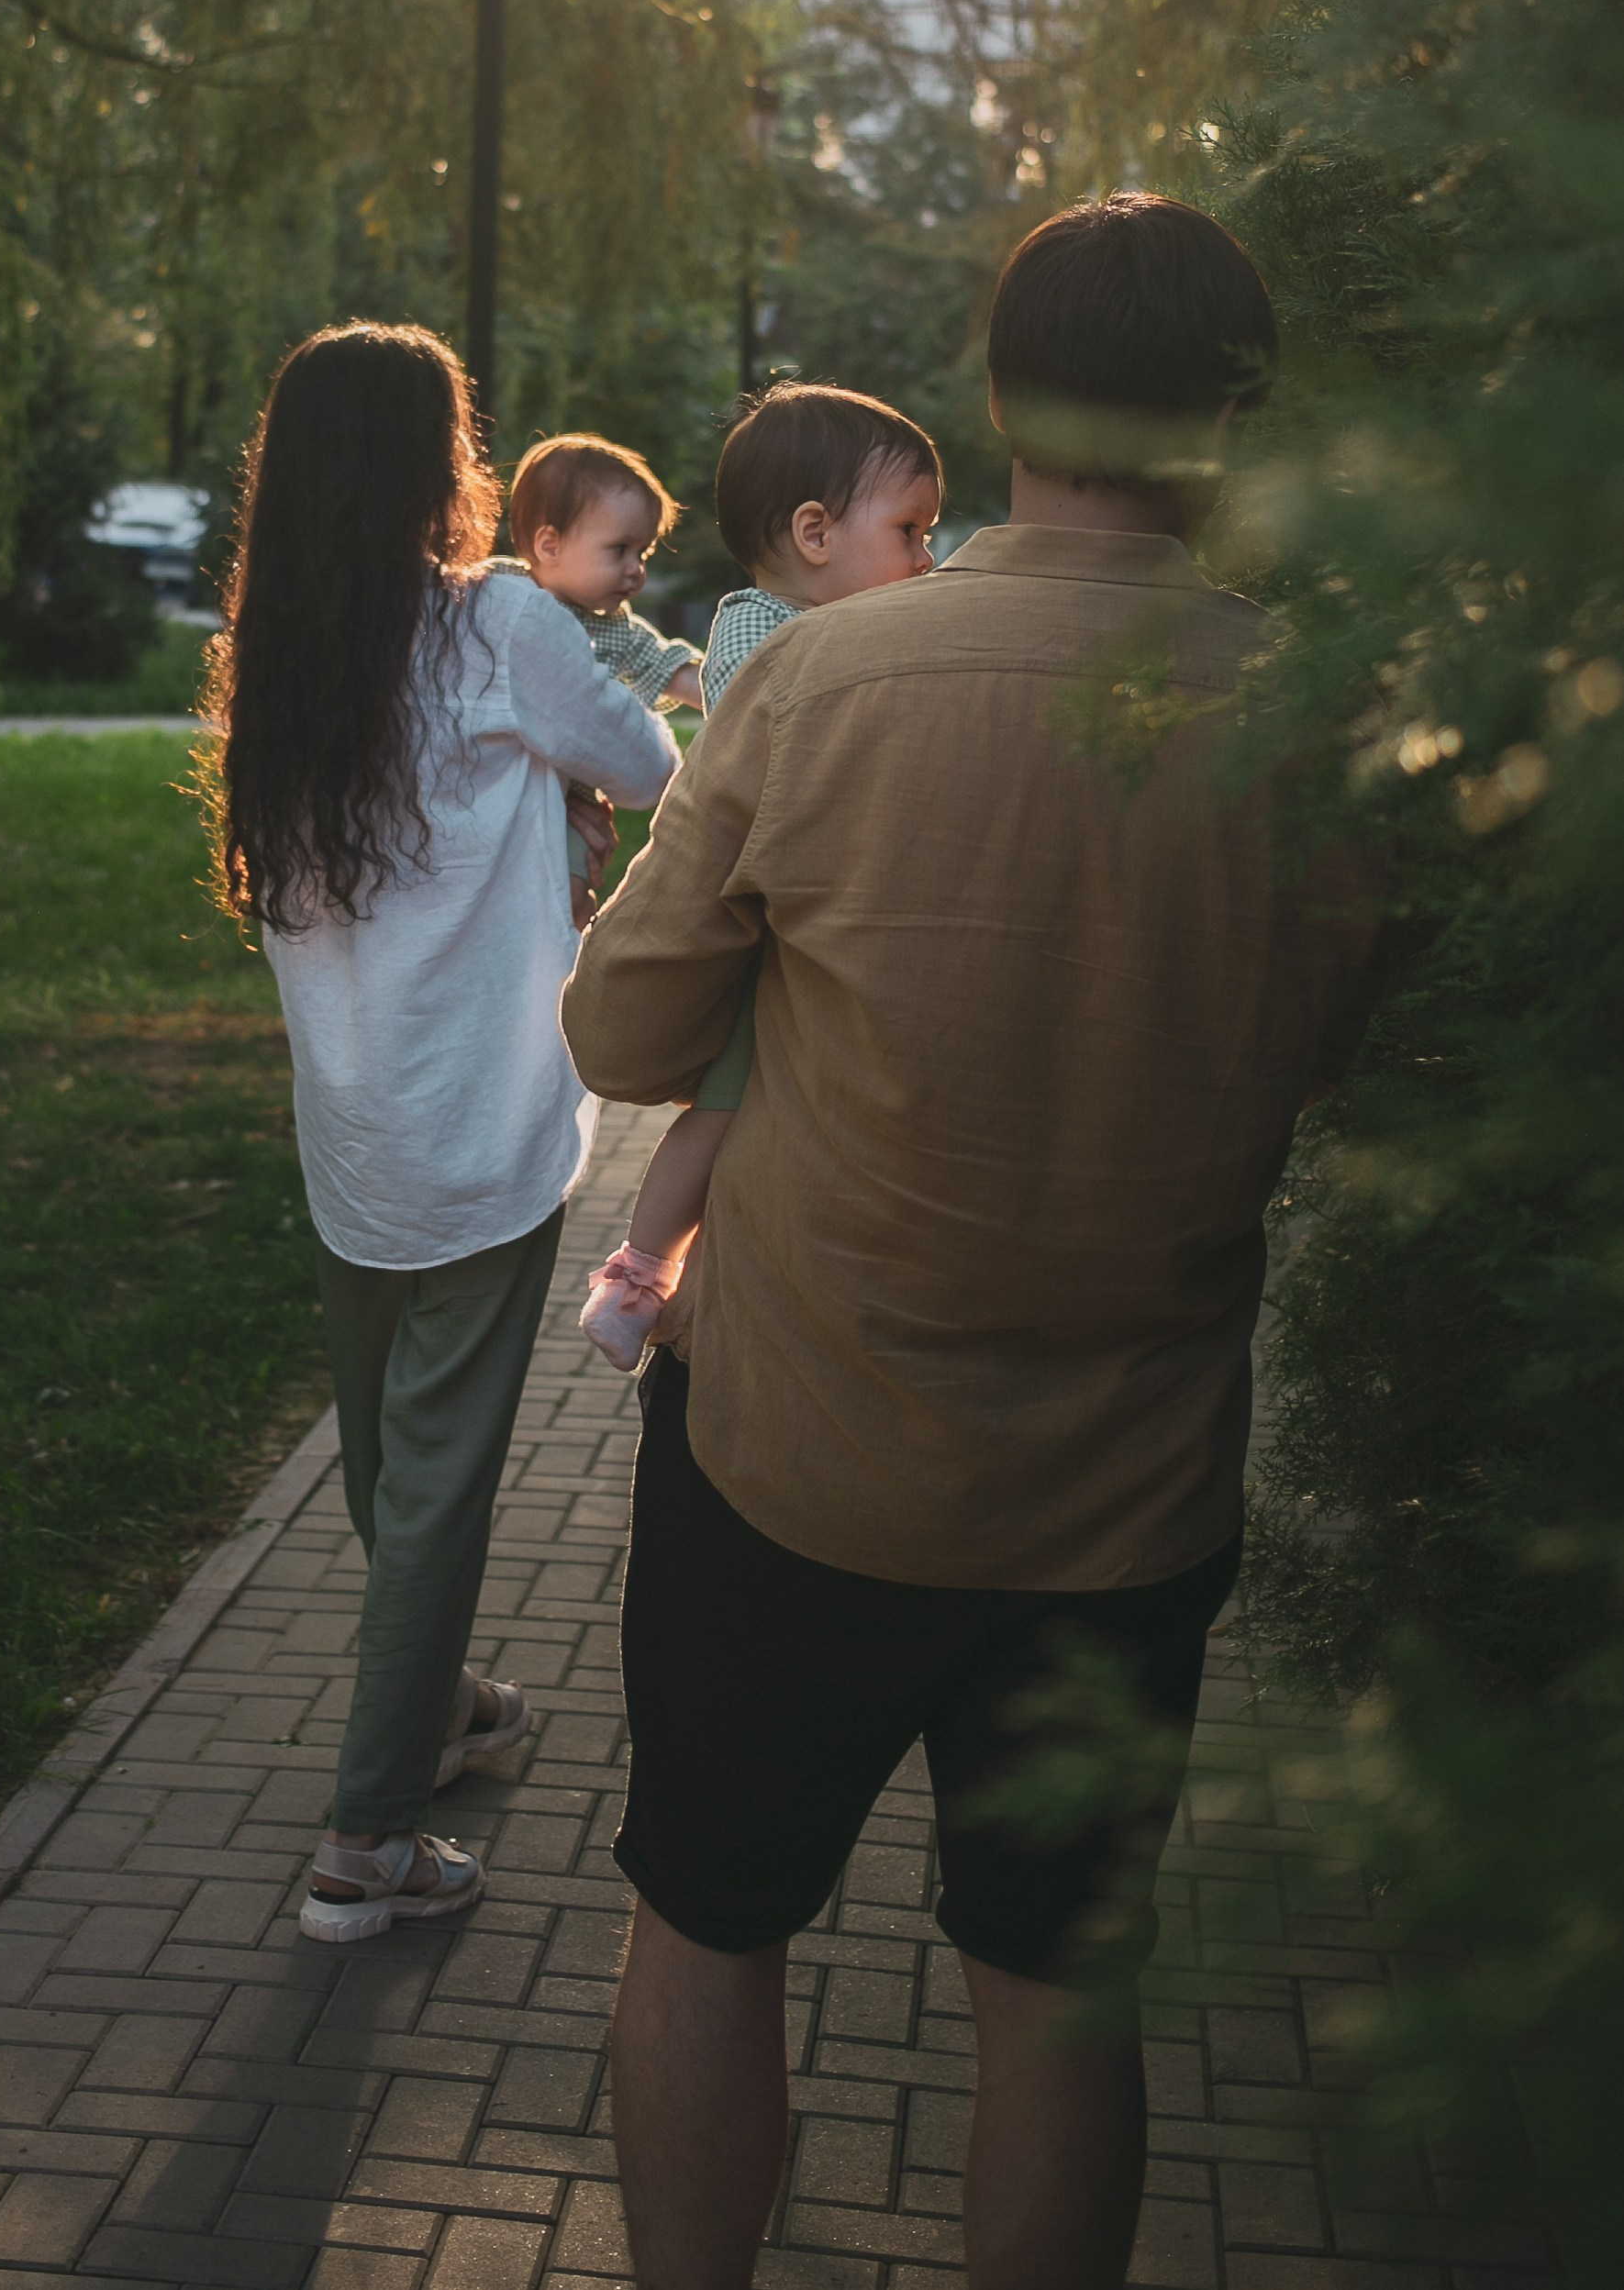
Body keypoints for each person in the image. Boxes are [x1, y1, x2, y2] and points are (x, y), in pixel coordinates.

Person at [562, 197, 1377, 2290]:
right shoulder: (1325, 727)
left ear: (997, 400)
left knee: (706, 1923)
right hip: (1121, 1500)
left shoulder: (820, 679)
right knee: (1055, 1992)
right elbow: (1355, 1053)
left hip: (792, 1458)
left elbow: (624, 1021)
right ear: (1224, 422)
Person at [203, 323, 678, 1947]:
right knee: (438, 1490)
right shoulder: (494, 619)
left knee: (393, 1464)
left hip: (354, 1131)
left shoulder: (281, 647)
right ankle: (365, 1842)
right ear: (438, 463)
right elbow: (652, 756)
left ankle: (451, 1701)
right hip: (477, 1123)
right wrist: (555, 794)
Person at [577, 384, 943, 1371]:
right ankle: (639, 1271)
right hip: (750, 924)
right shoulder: (756, 626)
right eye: (910, 530)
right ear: (815, 532)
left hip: (804, 924)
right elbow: (777, 743)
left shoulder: (851, 633)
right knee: (727, 1104)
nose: (925, 560)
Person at [486, 432, 705, 927]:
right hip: (502, 790)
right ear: (549, 545)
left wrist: (748, 692)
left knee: (565, 903)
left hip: (574, 804)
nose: (635, 571)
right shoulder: (494, 592)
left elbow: (675, 672)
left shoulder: (614, 626)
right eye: (620, 550)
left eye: (643, 554)